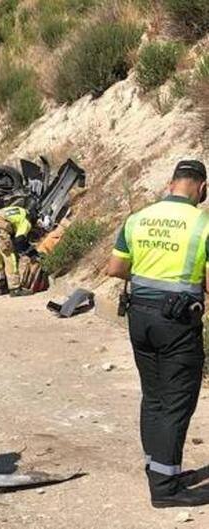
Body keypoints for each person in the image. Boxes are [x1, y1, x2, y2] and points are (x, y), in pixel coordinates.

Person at [107, 159, 209, 508]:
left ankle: (159, 469)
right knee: (177, 402)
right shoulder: (203, 223)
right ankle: (166, 490)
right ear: (203, 189)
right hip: (178, 324)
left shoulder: (138, 218)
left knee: (153, 397)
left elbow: (116, 268)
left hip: (140, 318)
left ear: (170, 184)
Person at [0, 203, 38, 297]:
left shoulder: (20, 210)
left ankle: (1, 285)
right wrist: (32, 253)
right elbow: (19, 240)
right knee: (9, 255)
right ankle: (15, 288)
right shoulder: (26, 222)